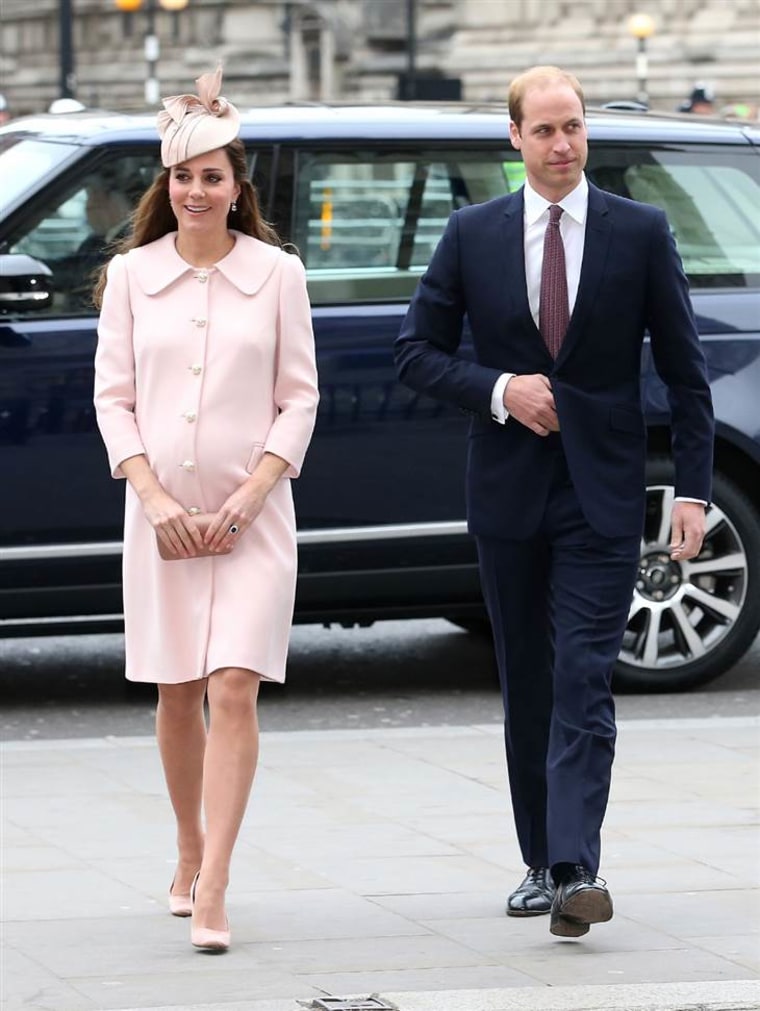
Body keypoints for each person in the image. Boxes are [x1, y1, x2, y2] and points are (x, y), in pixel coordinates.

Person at [394, 65, 714, 938]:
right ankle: (540, 858)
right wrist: (501, 388)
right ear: (515, 139)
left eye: (573, 126)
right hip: (506, 491)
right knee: (528, 679)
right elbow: (415, 351)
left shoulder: (640, 231)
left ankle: (578, 867)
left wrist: (692, 491)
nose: (563, 144)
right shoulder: (473, 233)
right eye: (544, 130)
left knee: (582, 676)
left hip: (603, 494)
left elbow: (687, 373)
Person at [93, 67, 319, 952]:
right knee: (178, 690)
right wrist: (151, 497)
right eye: (182, 177)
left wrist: (253, 494)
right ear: (166, 183)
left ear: (237, 187)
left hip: (252, 520)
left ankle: (217, 878)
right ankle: (186, 844)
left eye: (213, 177)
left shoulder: (278, 275)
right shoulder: (129, 276)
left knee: (234, 685)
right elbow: (114, 399)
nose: (196, 192)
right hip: (160, 521)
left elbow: (298, 397)